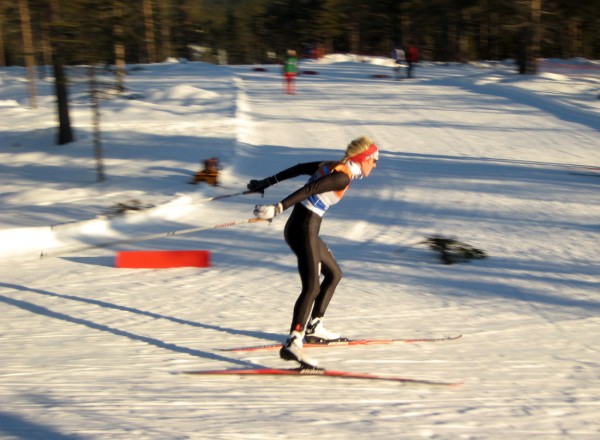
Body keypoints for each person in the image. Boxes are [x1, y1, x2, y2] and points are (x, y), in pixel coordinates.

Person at [247, 136, 379, 367]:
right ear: (363, 158)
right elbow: (309, 189)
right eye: (374, 160)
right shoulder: (340, 176)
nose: (375, 165)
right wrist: (277, 208)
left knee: (334, 274)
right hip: (304, 229)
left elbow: (299, 169)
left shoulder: (332, 165)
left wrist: (266, 182)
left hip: (306, 228)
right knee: (312, 286)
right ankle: (293, 341)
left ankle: (314, 327)